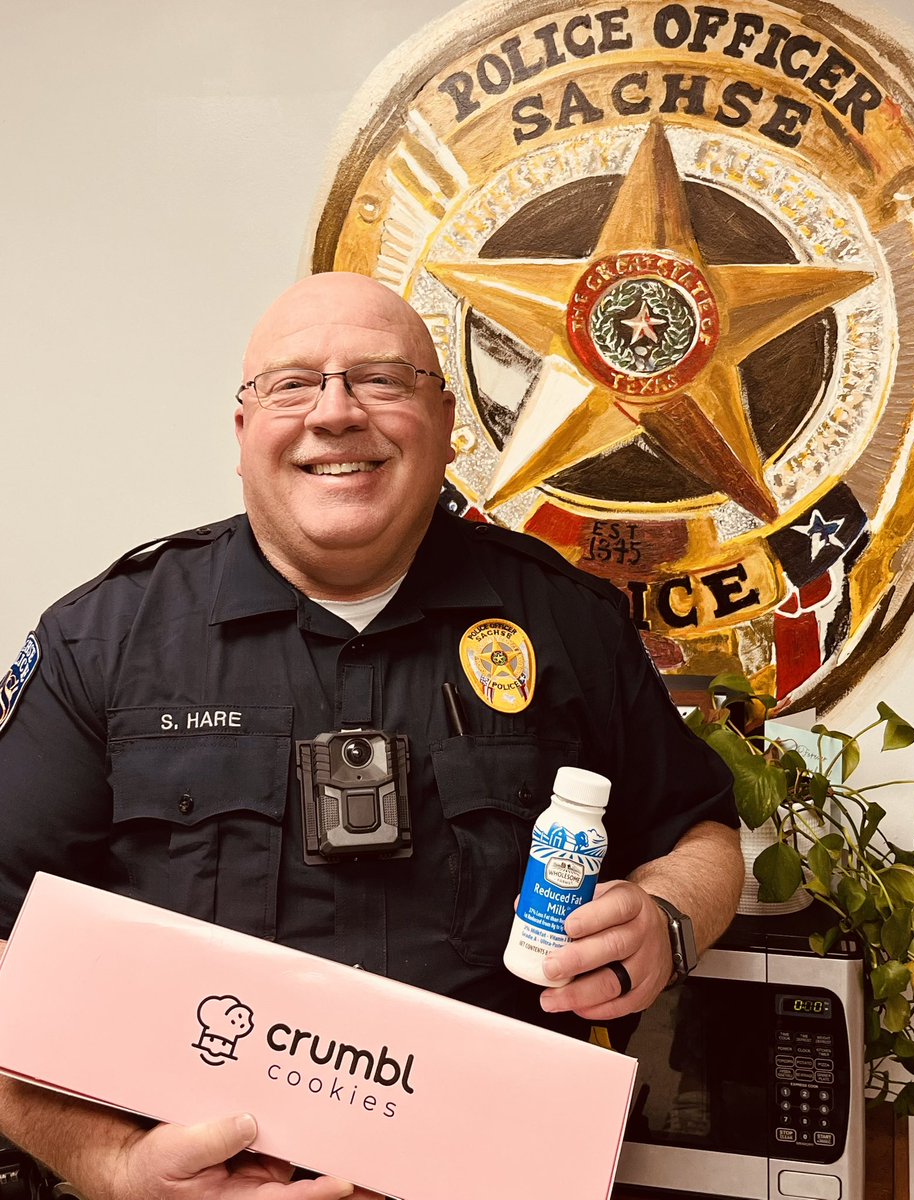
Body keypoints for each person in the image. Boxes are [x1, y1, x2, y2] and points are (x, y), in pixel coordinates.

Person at [0, 272, 742, 1199]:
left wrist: (667, 919)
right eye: (293, 384)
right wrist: (111, 1165)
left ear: (443, 424)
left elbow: (700, 835)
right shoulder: (104, 641)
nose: (336, 413)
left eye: (383, 380)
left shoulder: (567, 626)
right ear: (243, 434)